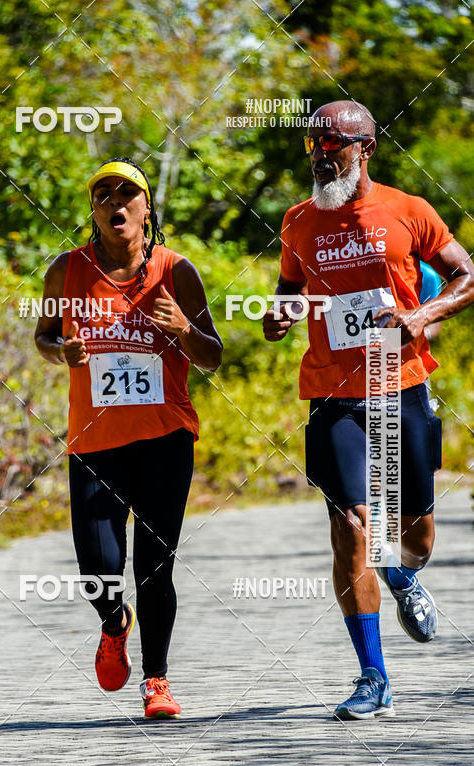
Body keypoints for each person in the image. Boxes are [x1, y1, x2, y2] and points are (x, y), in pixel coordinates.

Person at [263, 101, 474, 720]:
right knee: (353, 525)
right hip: (332, 393)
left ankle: (407, 578)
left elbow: (467, 276)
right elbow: (290, 293)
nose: (321, 156)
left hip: (400, 382)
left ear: (366, 149)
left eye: (332, 145)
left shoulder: (409, 210)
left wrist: (420, 315)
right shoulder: (298, 221)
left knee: (414, 535)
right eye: (313, 146)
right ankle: (372, 677)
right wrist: (280, 316)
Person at [35, 158, 222, 719]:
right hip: (94, 441)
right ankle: (115, 622)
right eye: (104, 196)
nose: (116, 203)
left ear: (146, 208)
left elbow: (212, 356)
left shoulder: (177, 271)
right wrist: (59, 351)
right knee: (98, 569)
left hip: (165, 438)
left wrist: (183, 330)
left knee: (155, 565)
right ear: (94, 211)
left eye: (127, 195)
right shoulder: (65, 271)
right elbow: (43, 336)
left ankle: (157, 681)